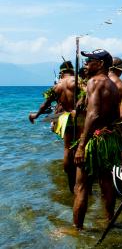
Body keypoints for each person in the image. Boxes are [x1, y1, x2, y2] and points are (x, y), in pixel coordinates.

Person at [73, 49, 122, 230]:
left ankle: (77, 229)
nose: (86, 64)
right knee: (106, 182)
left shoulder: (94, 81)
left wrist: (81, 145)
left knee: (81, 186)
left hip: (94, 139)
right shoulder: (112, 85)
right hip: (108, 138)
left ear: (100, 64)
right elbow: (116, 114)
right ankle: (110, 221)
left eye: (89, 60)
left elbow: (93, 115)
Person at [29, 60, 79, 192]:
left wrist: (36, 115)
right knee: (82, 147)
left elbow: (45, 105)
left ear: (61, 73)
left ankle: (71, 183)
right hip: (80, 118)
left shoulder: (57, 86)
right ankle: (84, 181)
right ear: (73, 71)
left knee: (68, 149)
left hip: (65, 119)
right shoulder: (79, 82)